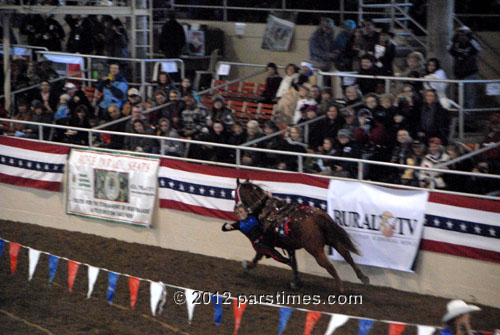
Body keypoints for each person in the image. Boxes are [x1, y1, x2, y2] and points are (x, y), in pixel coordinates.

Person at [222, 204, 290, 265]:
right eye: (237, 213)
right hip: (258, 244)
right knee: (272, 252)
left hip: (266, 238)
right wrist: (226, 225)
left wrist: (267, 196)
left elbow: (260, 206)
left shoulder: (253, 215)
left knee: (271, 228)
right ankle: (288, 261)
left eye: (241, 212)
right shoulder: (239, 225)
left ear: (246, 211)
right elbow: (224, 229)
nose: (240, 214)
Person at [448, 26, 481, 113]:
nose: (463, 36)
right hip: (459, 73)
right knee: (461, 98)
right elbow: (450, 50)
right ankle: (462, 119)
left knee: (469, 97)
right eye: (461, 34)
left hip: (470, 73)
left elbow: (478, 49)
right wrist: (455, 37)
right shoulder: (457, 44)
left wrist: (469, 36)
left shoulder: (472, 43)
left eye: (464, 34)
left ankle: (469, 121)